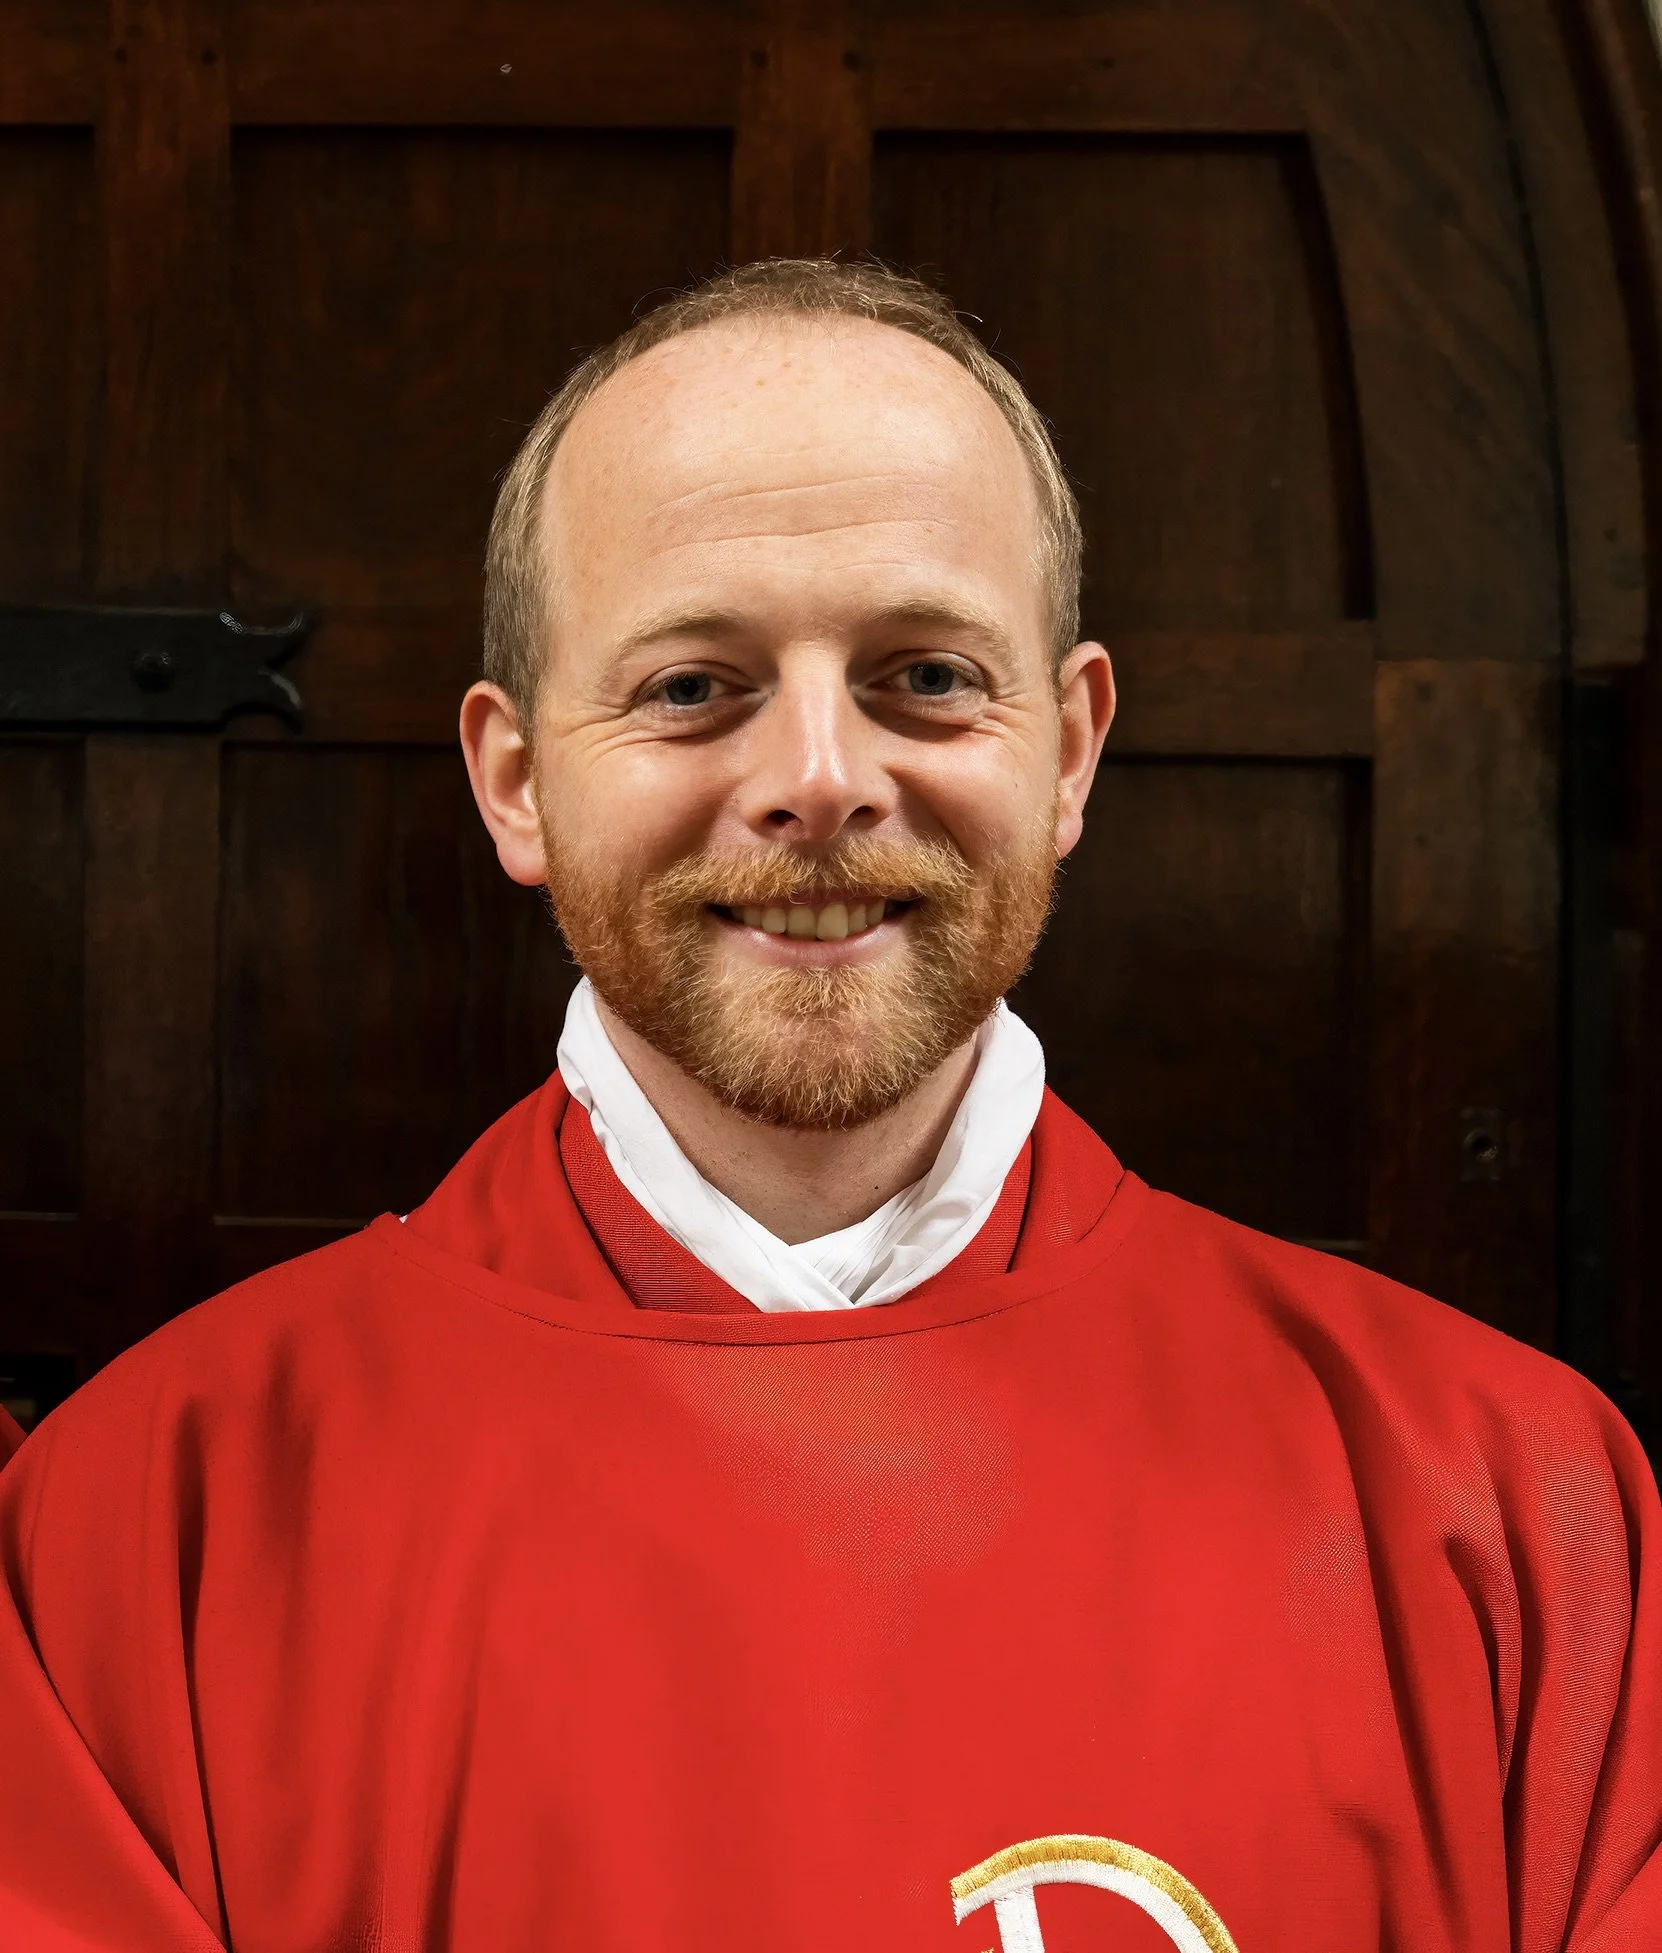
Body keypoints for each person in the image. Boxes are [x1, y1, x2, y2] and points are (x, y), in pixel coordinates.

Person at [0, 259, 1655, 1953]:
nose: (817, 779)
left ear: (1069, 749)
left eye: (924, 675)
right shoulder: (151, 1524)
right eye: (690, 685)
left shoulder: (1508, 1509)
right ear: (515, 780)